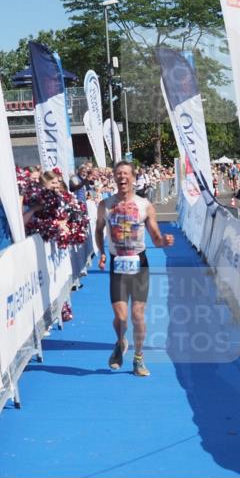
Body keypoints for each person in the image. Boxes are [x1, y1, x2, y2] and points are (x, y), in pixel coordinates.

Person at [95, 161, 175, 377]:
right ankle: (120, 342)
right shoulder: (105, 205)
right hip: (117, 262)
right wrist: (102, 252)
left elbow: (155, 237)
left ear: (133, 178)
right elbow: (99, 230)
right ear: (114, 177)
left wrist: (164, 241)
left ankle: (138, 358)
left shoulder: (145, 205)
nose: (122, 177)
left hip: (139, 263)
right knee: (120, 317)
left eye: (126, 174)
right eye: (118, 174)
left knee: (137, 315)